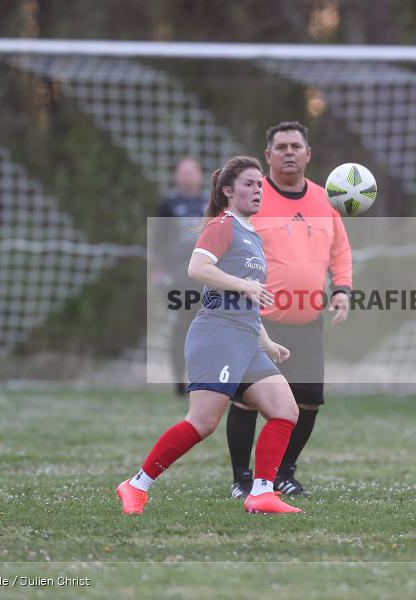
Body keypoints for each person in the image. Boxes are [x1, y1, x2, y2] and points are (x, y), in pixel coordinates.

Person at [118, 155, 302, 515]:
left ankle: (262, 492)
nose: (257, 190)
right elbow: (197, 267)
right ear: (229, 191)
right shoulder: (223, 226)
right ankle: (135, 485)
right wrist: (243, 284)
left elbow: (247, 299)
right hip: (217, 336)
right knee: (202, 423)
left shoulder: (253, 236)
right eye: (249, 184)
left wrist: (266, 342)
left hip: (246, 340)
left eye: (260, 185)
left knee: (285, 411)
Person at [226, 122, 353, 499]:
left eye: (296, 146)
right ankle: (242, 478)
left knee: (309, 399)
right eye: (280, 146)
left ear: (308, 154)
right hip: (258, 321)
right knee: (247, 399)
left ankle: (284, 472)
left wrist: (342, 288)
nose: (289, 152)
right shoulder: (253, 198)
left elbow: (340, 251)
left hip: (308, 320)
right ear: (268, 156)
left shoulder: (325, 201)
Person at [155, 157, 206, 397]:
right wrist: (158, 272)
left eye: (191, 171)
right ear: (176, 176)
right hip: (178, 278)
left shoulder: (210, 202)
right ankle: (179, 380)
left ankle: (206, 378)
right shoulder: (168, 205)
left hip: (206, 278)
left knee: (208, 327)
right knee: (180, 328)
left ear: (199, 175)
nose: (187, 176)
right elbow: (158, 241)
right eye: (182, 172)